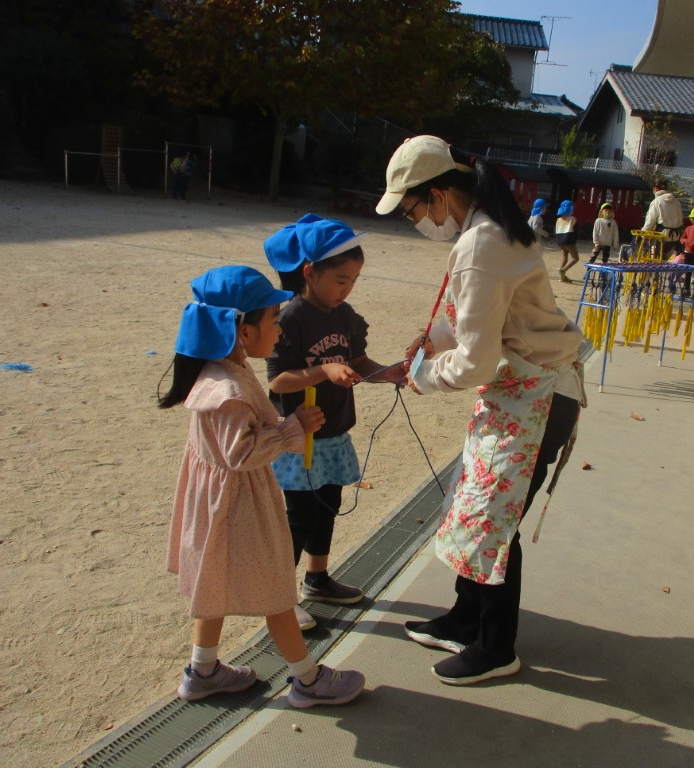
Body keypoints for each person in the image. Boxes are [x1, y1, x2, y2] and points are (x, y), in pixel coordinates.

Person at [375, 135, 585, 685]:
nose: (415, 220)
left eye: (413, 209)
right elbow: (487, 317)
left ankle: (495, 646)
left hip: (537, 394)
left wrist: (422, 376)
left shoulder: (478, 245)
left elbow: (476, 360)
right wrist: (430, 342)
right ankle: (466, 617)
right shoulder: (491, 228)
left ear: (439, 195)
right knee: (475, 504)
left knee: (494, 519)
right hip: (524, 389)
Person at [159, 265, 365, 707]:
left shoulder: (222, 371)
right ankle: (308, 680)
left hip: (218, 506)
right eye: (273, 319)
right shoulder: (229, 389)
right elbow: (241, 454)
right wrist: (293, 428)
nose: (280, 327)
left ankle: (203, 671)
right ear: (243, 330)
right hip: (239, 509)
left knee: (213, 587)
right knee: (277, 593)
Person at [264, 214, 405, 632]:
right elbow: (277, 379)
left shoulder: (346, 317)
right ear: (310, 272)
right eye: (341, 280)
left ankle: (317, 579)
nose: (348, 289)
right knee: (299, 517)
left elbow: (358, 362)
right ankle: (279, 598)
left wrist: (389, 372)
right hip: (299, 436)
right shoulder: (291, 318)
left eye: (354, 280)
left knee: (328, 506)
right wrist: (323, 371)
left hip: (334, 431)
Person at [642, 178, 684, 258]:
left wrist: (644, 234)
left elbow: (650, 221)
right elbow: (681, 219)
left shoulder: (657, 202)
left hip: (660, 236)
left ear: (655, 188)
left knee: (654, 259)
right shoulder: (676, 201)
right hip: (675, 237)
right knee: (666, 260)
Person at [554, 200, 580, 282]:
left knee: (564, 258)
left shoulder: (558, 219)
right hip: (569, 240)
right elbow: (576, 230)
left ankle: (561, 275)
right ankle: (563, 270)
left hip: (560, 241)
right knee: (575, 258)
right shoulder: (572, 219)